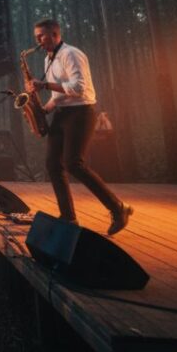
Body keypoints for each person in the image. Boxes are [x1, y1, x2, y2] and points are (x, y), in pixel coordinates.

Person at [27, 18, 132, 235]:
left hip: (81, 113)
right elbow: (57, 96)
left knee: (73, 163)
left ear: (55, 34)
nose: (37, 41)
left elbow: (78, 88)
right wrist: (42, 110)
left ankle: (118, 208)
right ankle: (68, 217)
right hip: (63, 113)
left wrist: (44, 84)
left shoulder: (71, 54)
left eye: (42, 36)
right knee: (52, 165)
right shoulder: (49, 59)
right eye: (36, 37)